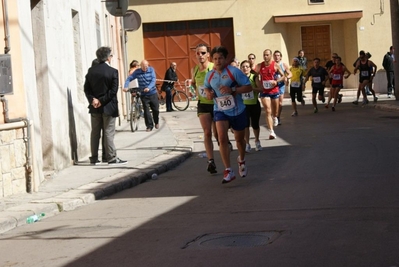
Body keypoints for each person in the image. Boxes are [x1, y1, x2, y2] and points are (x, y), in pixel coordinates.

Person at [203, 46, 252, 184]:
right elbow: (206, 87)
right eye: (215, 59)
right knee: (222, 138)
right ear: (212, 60)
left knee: (239, 140)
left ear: (225, 59)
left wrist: (233, 89)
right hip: (220, 109)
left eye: (220, 58)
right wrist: (208, 92)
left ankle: (241, 160)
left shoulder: (234, 72)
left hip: (238, 110)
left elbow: (248, 87)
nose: (218, 61)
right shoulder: (210, 75)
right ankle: (228, 170)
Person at [84, 46, 127, 165]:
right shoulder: (112, 71)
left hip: (94, 107)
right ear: (108, 57)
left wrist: (93, 100)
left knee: (95, 133)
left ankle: (94, 158)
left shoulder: (91, 71)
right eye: (111, 55)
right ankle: (111, 157)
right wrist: (101, 101)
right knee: (108, 132)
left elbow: (86, 89)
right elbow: (113, 91)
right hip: (108, 106)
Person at [191, 43, 218, 174]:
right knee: (207, 132)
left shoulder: (214, 67)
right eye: (198, 53)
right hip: (203, 104)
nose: (200, 55)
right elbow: (193, 83)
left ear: (208, 55)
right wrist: (193, 89)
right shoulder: (195, 70)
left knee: (219, 133)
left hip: (217, 103)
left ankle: (224, 145)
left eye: (203, 53)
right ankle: (211, 160)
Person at [255, 49, 285, 139]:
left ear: (271, 56)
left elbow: (283, 76)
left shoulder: (275, 65)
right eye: (264, 55)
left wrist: (276, 81)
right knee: (268, 111)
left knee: (274, 112)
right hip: (264, 91)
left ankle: (275, 117)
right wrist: (258, 84)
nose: (265, 56)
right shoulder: (260, 66)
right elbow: (255, 75)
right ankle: (271, 131)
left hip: (274, 91)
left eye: (267, 55)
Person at [124, 60, 159, 132]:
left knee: (156, 109)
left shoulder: (151, 70)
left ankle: (156, 121)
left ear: (148, 65)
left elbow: (153, 80)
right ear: (140, 66)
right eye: (143, 67)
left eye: (146, 66)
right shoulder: (137, 72)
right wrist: (126, 86)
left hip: (152, 92)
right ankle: (149, 126)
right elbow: (129, 78)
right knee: (146, 111)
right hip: (144, 94)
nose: (145, 68)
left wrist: (149, 87)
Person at [240, 60, 262, 153]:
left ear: (250, 68)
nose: (245, 68)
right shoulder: (239, 79)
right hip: (244, 106)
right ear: (241, 68)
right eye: (243, 67)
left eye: (247, 66)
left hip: (254, 105)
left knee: (255, 125)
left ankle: (257, 140)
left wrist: (251, 89)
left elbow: (261, 89)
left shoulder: (254, 77)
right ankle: (247, 144)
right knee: (245, 125)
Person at [273, 50, 292, 125]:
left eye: (278, 55)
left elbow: (290, 73)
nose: (277, 57)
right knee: (274, 103)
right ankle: (274, 116)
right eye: (275, 55)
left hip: (281, 85)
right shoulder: (272, 64)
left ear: (280, 57)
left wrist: (287, 77)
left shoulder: (283, 65)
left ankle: (278, 117)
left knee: (280, 103)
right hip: (273, 85)